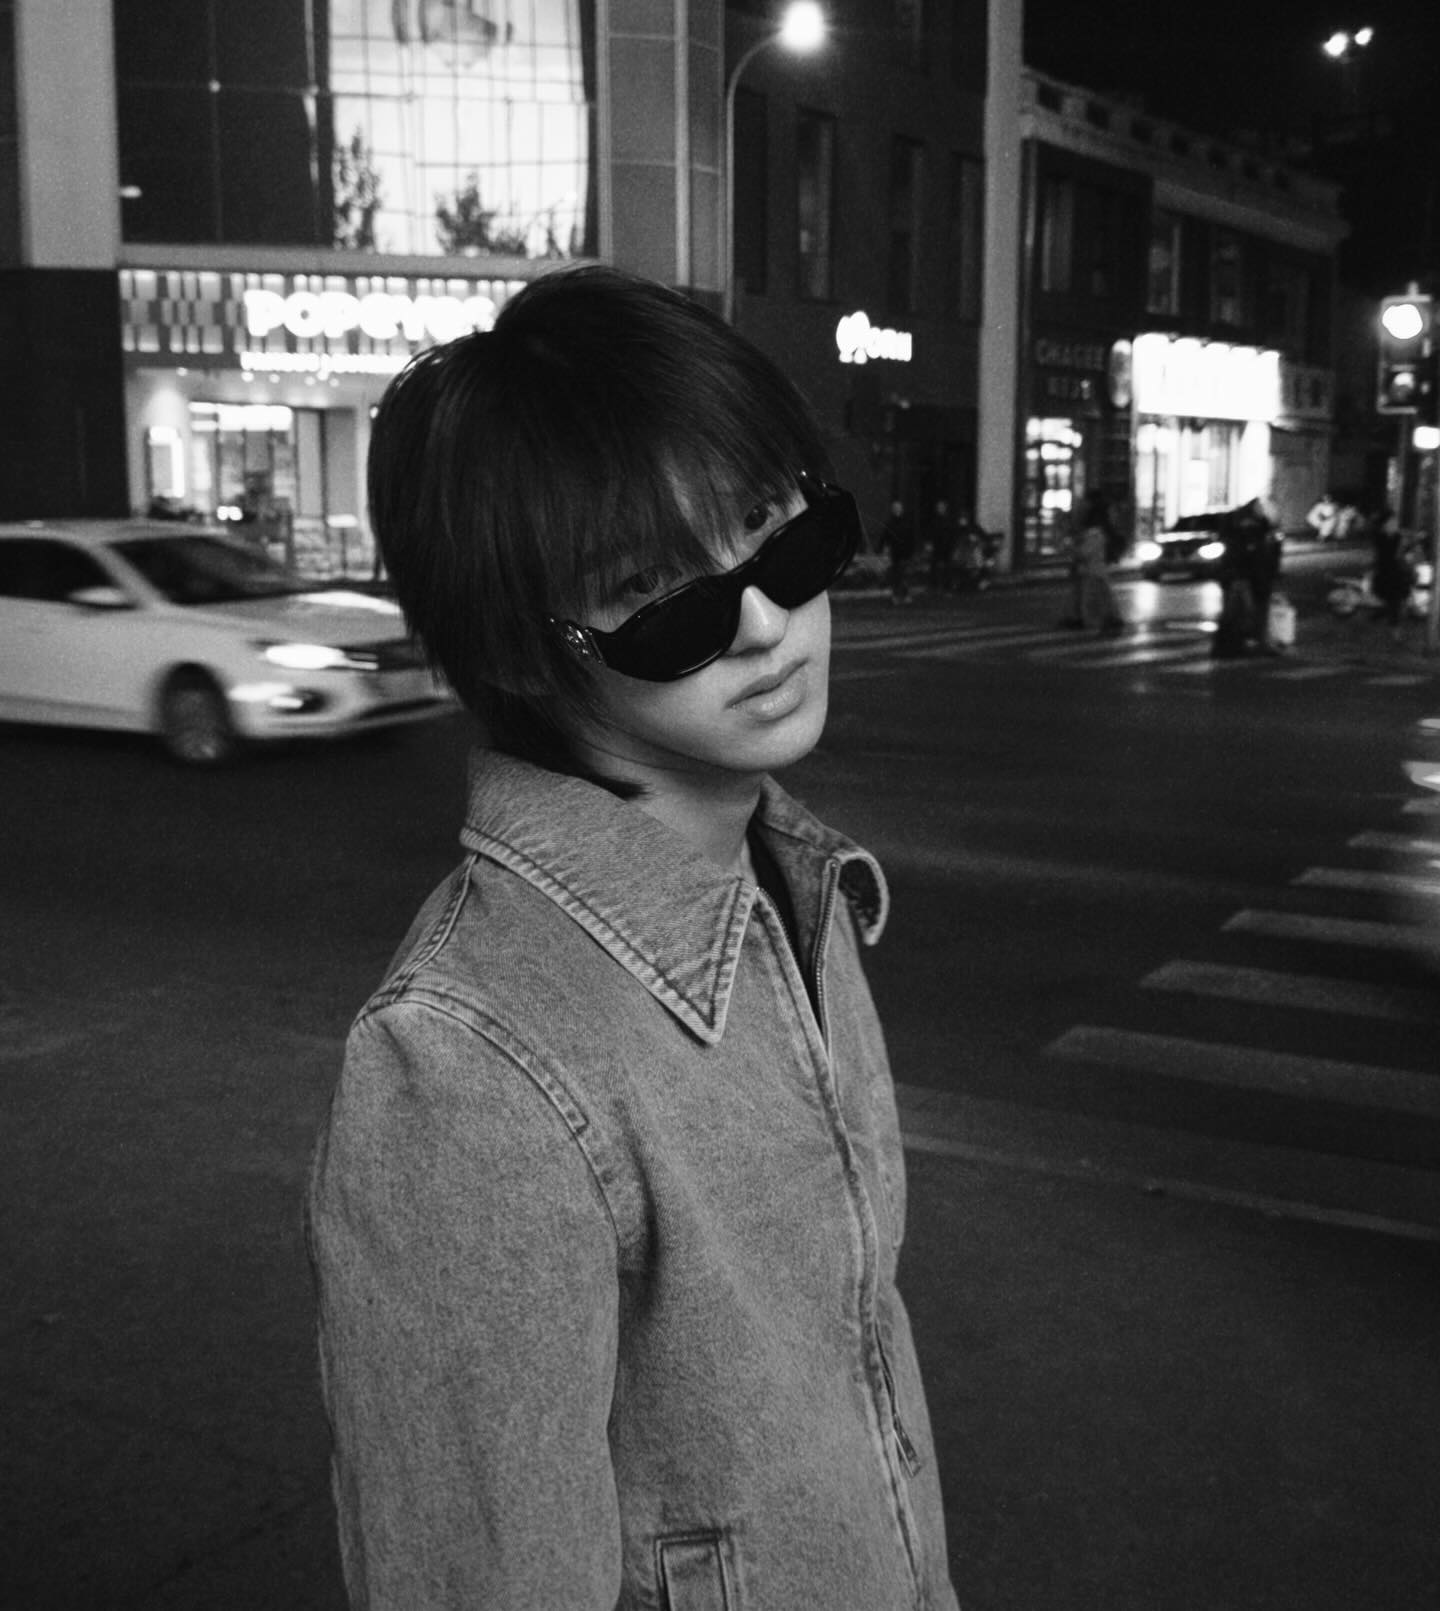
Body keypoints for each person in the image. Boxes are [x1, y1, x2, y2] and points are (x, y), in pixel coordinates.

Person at [305, 265, 960, 1611]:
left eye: (779, 534)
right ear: (523, 653)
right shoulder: (465, 1067)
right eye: (662, 595)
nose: (765, 622)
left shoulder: (794, 884)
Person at [1212, 494, 1282, 657]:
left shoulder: (1256, 528)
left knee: (1247, 614)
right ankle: (1234, 646)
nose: (1262, 510)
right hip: (1245, 578)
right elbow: (1245, 556)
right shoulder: (1245, 531)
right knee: (1239, 614)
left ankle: (1240, 644)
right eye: (1259, 508)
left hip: (1254, 579)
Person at [1062, 489, 1125, 633]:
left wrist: (1071, 548)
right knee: (1095, 595)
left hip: (1092, 570)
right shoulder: (1098, 526)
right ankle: (1100, 619)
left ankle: (1104, 620)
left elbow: (1085, 552)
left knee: (1094, 597)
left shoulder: (1094, 532)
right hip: (1092, 569)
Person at [1371, 509, 1415, 642]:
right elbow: (1389, 555)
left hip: (1398, 572)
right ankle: (1395, 629)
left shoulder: (1397, 536)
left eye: (1395, 522)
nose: (1395, 524)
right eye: (1391, 522)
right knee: (1394, 599)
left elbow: (1404, 552)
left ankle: (1386, 617)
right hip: (1386, 574)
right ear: (1384, 524)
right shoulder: (1380, 538)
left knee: (1403, 596)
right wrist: (1402, 545)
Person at [881, 496, 917, 602]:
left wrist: (912, 550)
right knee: (896, 575)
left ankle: (905, 595)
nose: (897, 510)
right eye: (895, 508)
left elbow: (912, 537)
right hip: (895, 553)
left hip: (906, 553)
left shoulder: (907, 522)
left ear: (902, 509)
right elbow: (885, 537)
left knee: (905, 575)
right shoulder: (890, 523)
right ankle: (896, 595)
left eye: (898, 508)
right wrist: (882, 548)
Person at [926, 496, 959, 591]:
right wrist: (929, 544)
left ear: (945, 507)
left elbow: (954, 534)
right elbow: (930, 533)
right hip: (937, 547)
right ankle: (935, 585)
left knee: (948, 567)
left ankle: (948, 585)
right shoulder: (934, 521)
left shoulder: (950, 520)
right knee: (935, 566)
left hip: (948, 547)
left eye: (942, 507)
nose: (940, 509)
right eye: (938, 507)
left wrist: (953, 545)